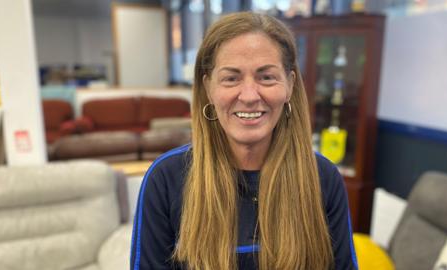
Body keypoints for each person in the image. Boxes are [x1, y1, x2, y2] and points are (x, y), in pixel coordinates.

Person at [130, 12, 358, 270]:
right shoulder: (165, 180)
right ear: (208, 87)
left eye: (266, 77)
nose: (249, 95)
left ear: (290, 84)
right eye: (231, 78)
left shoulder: (323, 177)